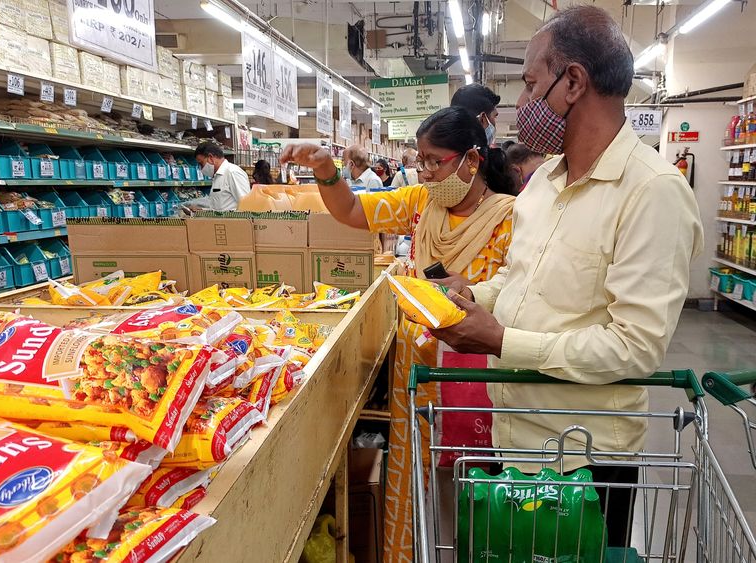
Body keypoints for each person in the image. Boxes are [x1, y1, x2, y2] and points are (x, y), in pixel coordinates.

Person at [433, 5, 703, 547]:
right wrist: (470, 294)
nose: (522, 103)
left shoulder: (651, 192)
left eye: (531, 83)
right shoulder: (543, 183)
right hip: (514, 447)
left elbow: (635, 347)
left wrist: (503, 340)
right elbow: (519, 279)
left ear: (573, 81)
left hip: (583, 460)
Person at [280, 106, 517, 563]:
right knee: (416, 491)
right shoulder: (418, 203)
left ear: (472, 160)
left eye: (435, 161)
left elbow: (517, 287)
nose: (426, 172)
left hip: (474, 381)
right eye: (421, 161)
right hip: (418, 376)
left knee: (471, 495)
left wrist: (470, 288)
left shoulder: (509, 217)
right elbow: (350, 209)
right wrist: (326, 170)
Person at [194, 141, 250, 211]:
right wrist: (202, 211)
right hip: (220, 221)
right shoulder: (217, 177)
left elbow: (246, 205)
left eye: (201, 163)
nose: (201, 168)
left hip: (231, 221)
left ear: (211, 158)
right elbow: (220, 209)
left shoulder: (233, 172)